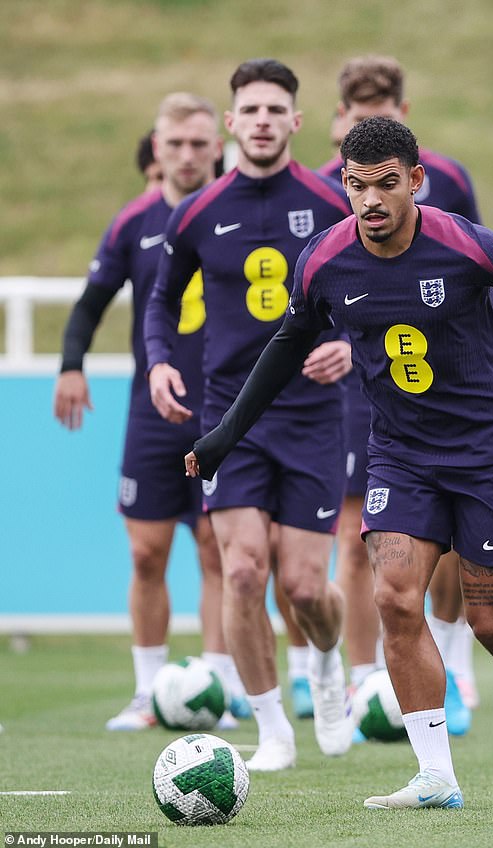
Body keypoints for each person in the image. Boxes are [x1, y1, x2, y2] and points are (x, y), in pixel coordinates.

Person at [184, 116, 493, 809]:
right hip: (399, 453)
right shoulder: (326, 259)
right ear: (344, 182)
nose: (370, 200)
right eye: (356, 184)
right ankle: (436, 776)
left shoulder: (462, 244)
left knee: (492, 625)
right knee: (396, 597)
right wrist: (225, 433)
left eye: (386, 185)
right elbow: (286, 344)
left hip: (485, 452)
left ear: (415, 182)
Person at [144, 59, 353, 771]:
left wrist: (351, 347)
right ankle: (272, 732)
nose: (262, 120)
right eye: (250, 109)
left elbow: (372, 288)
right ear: (231, 123)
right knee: (240, 572)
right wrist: (160, 359)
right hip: (229, 419)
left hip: (313, 417)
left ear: (296, 121)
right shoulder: (197, 212)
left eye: (276, 109)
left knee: (302, 586)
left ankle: (327, 663)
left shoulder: (332, 202)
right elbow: (163, 302)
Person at [54, 92, 250, 731]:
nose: (188, 155)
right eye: (176, 144)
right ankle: (147, 692)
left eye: (199, 144)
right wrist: (71, 365)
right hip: (152, 412)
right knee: (146, 554)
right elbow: (90, 303)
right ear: (156, 147)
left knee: (219, 552)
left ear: (215, 146)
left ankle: (216, 687)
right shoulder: (132, 223)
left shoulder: (242, 213)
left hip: (225, 409)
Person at [319, 55, 481, 731]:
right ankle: (364, 681)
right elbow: (315, 286)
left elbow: (479, 265)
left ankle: (452, 659)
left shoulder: (446, 180)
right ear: (339, 123)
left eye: (382, 111)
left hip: (445, 383)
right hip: (361, 385)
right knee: (359, 538)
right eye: (358, 116)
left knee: (455, 538)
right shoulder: (328, 187)